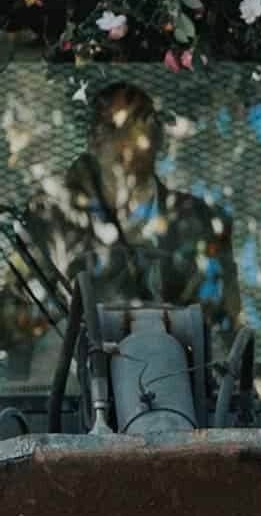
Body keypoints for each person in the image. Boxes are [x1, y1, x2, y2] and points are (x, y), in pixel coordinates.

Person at [25, 82, 242, 341]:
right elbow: (29, 317)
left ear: (156, 137)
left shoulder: (195, 219)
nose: (118, 140)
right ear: (93, 141)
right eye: (110, 128)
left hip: (176, 371)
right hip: (79, 373)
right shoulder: (53, 221)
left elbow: (223, 321)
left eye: (143, 121)